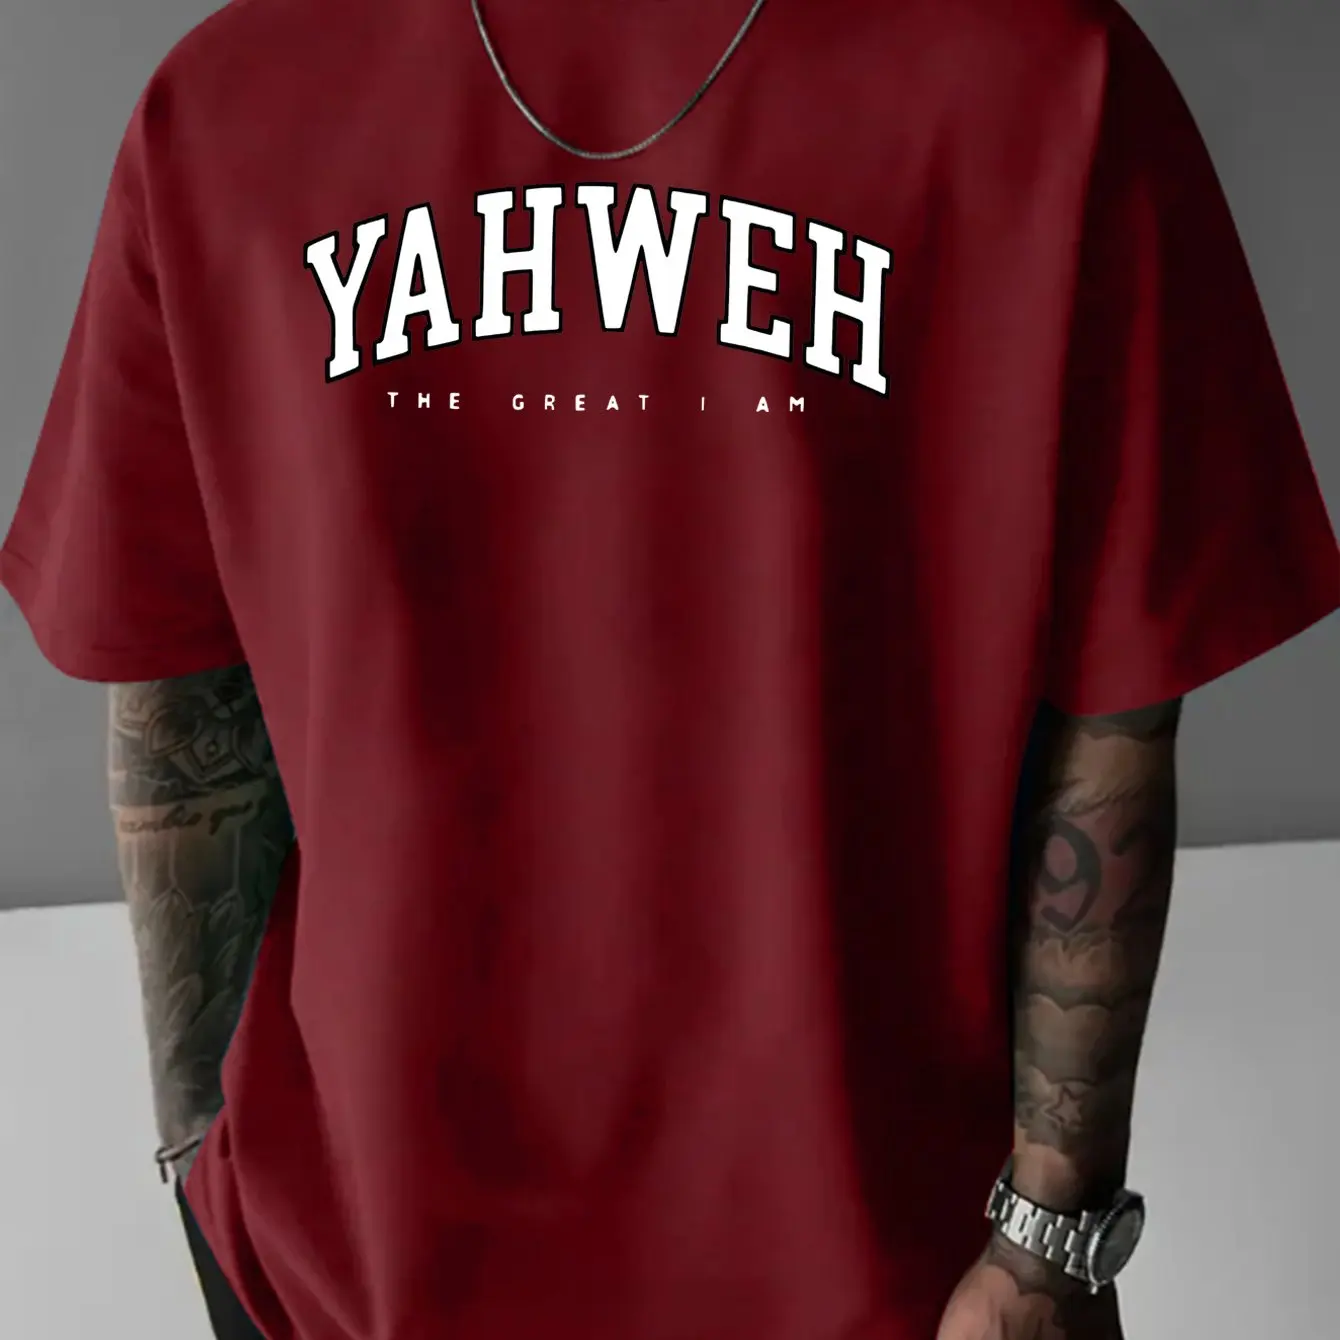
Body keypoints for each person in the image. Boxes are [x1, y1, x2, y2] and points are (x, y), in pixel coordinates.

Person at [3, 0, 1337, 1336]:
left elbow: (181, 731)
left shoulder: (1051, 84)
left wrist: (1043, 1246)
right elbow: (176, 686)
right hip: (365, 1270)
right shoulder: (219, 118)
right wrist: (200, 1166)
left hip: (882, 1280)